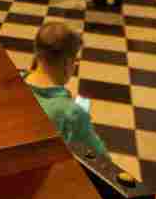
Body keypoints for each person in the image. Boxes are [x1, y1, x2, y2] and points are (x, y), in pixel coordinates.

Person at [25, 23, 109, 157]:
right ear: (67, 63)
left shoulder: (13, 83)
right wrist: (81, 118)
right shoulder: (72, 114)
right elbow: (103, 159)